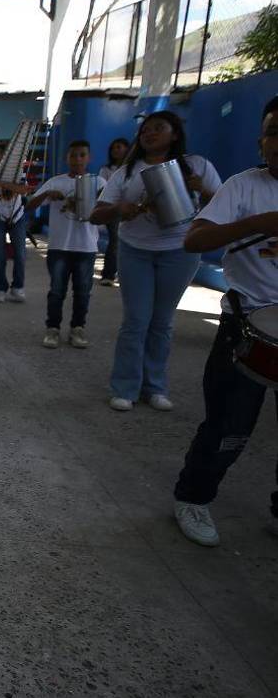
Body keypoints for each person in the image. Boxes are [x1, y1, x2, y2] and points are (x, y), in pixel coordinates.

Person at [170, 96, 278, 547]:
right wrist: (260, 222)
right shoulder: (244, 186)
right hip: (248, 322)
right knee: (228, 424)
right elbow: (196, 239)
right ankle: (193, 497)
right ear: (261, 141)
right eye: (275, 132)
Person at [91, 111, 221, 412]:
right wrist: (119, 209)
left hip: (180, 251)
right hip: (135, 249)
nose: (149, 134)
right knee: (136, 321)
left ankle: (155, 387)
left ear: (174, 134)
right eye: (145, 130)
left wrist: (200, 189)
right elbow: (96, 213)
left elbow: (226, 203)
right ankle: (125, 387)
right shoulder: (127, 171)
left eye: (158, 128)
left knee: (161, 323)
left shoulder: (196, 166)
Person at [25, 141, 98, 349]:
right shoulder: (55, 182)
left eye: (82, 155)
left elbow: (105, 211)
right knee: (57, 291)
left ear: (88, 158)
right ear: (66, 158)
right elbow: (29, 205)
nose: (77, 159)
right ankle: (53, 328)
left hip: (86, 247)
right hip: (59, 247)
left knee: (83, 291)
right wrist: (46, 195)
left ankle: (77, 328)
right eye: (73, 155)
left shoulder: (98, 182)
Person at [0, 150, 32, 303]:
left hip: (17, 217)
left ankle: (18, 287)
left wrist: (3, 184)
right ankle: (1, 287)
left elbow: (23, 190)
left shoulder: (18, 173)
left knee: (20, 253)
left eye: (3, 155)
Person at [96, 137, 130, 286]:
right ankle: (108, 274)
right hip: (113, 210)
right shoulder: (106, 170)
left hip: (132, 210)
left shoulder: (133, 169)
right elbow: (101, 190)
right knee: (115, 241)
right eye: (113, 148)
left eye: (119, 147)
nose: (116, 150)